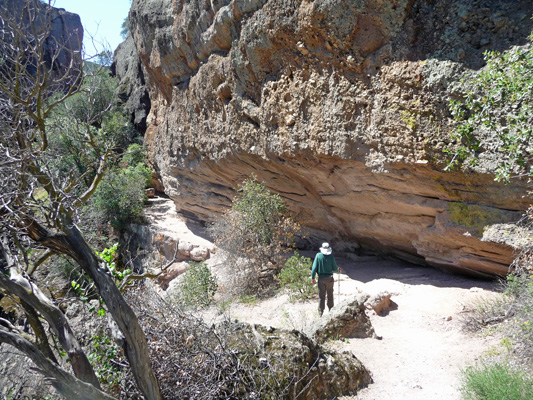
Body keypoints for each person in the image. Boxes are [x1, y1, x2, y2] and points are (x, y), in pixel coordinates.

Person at [311, 242, 340, 316]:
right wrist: (338, 271)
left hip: (321, 279)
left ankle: (320, 312)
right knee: (330, 294)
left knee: (321, 296)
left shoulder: (318, 256)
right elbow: (334, 269)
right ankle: (331, 310)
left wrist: (313, 277)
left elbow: (314, 268)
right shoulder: (331, 257)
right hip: (329, 278)